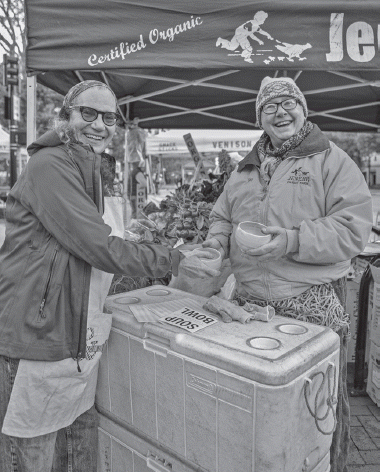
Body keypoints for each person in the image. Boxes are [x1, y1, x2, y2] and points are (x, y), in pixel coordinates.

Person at [0, 80, 217, 472]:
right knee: (32, 455)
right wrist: (173, 259)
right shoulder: (50, 164)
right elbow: (98, 246)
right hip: (38, 330)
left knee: (71, 450)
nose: (100, 124)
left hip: (71, 327)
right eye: (88, 113)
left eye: (109, 117)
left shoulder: (89, 167)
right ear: (64, 116)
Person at [202, 76, 373, 472]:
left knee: (319, 408)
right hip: (249, 306)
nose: (280, 113)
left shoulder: (330, 159)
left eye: (288, 104)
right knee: (266, 406)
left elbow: (352, 228)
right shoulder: (245, 168)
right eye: (269, 107)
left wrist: (291, 240)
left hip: (308, 301)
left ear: (303, 109)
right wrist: (215, 242)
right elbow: (222, 217)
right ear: (260, 117)